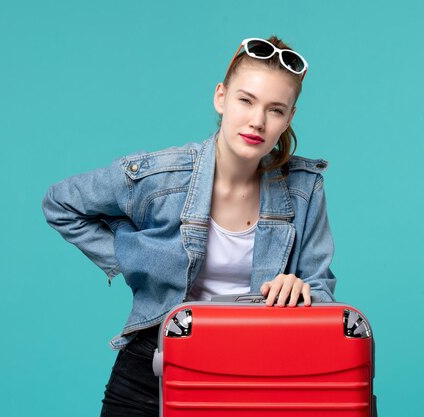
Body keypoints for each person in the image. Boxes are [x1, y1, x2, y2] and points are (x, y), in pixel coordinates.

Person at [42, 35, 337, 417]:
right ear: (221, 97)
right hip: (153, 372)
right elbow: (61, 203)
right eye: (245, 100)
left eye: (275, 110)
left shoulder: (304, 188)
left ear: (289, 117)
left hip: (256, 375)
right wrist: (133, 257)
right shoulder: (164, 175)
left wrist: (302, 291)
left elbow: (321, 292)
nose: (257, 121)